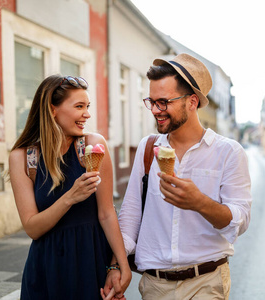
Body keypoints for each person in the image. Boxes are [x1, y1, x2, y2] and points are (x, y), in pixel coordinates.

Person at [103, 53, 252, 299]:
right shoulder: (147, 148)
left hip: (206, 282)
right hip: (154, 286)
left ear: (192, 102)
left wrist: (199, 202)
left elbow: (241, 221)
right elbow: (131, 215)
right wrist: (116, 265)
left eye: (163, 102)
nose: (155, 110)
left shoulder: (228, 152)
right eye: (151, 101)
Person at [8, 75, 131, 299]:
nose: (87, 114)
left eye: (88, 106)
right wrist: (70, 197)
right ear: (52, 109)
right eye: (79, 106)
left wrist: (120, 265)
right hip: (47, 270)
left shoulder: (94, 146)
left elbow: (106, 213)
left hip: (92, 262)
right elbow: (32, 228)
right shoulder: (23, 158)